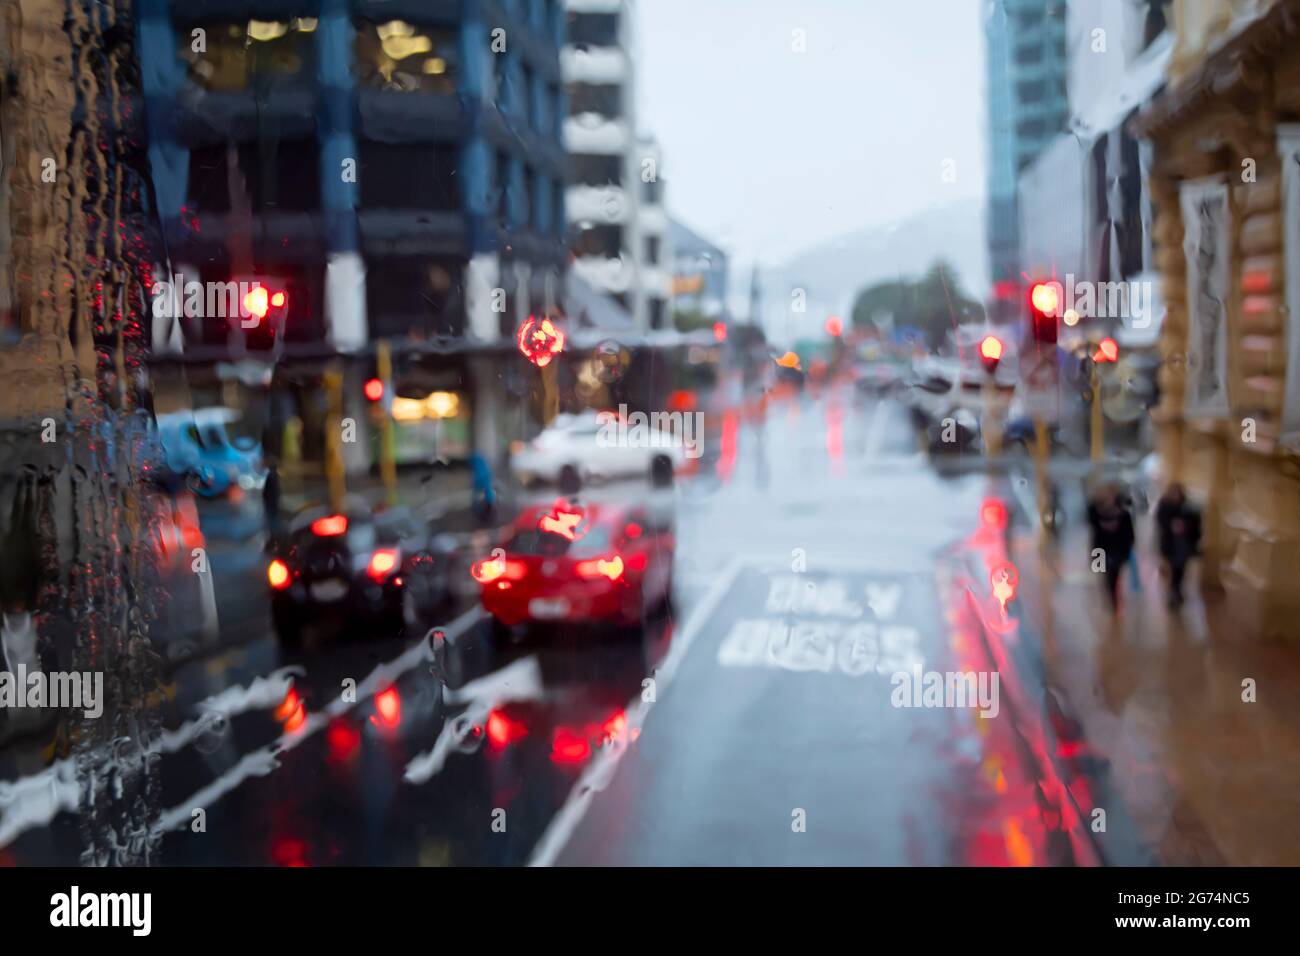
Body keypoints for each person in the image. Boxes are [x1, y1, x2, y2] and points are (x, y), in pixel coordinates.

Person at [1086, 484, 1135, 610]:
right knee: (1102, 573)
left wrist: (1129, 546)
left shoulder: (1123, 513)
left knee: (1115, 573)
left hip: (1117, 548)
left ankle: (1113, 596)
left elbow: (1129, 533)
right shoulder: (1095, 511)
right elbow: (1090, 520)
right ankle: (1109, 594)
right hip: (1100, 548)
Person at [1155, 482, 1202, 609]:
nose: (1176, 495)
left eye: (1178, 492)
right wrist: (1171, 526)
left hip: (1184, 544)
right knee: (1172, 569)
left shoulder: (1188, 508)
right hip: (1170, 544)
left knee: (1180, 569)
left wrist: (1186, 527)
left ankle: (1176, 591)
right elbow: (1160, 522)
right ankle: (1174, 591)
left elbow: (1196, 525)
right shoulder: (1165, 506)